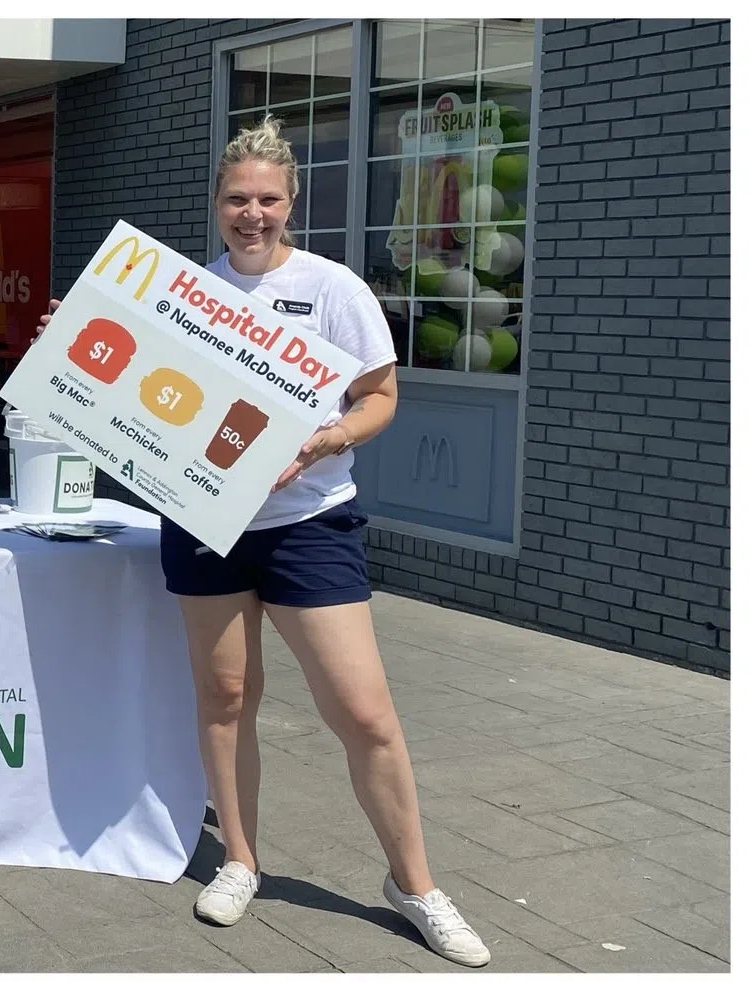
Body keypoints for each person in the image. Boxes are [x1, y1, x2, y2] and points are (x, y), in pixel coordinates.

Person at [36, 113, 490, 968]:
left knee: (364, 712)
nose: (252, 214)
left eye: (268, 200)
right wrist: (70, 343)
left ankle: (416, 884)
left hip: (308, 523)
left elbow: (381, 398)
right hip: (203, 520)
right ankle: (241, 860)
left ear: (291, 204)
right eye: (238, 199)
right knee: (225, 696)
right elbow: (127, 381)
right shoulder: (183, 294)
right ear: (217, 203)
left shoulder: (332, 289)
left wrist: (329, 438)